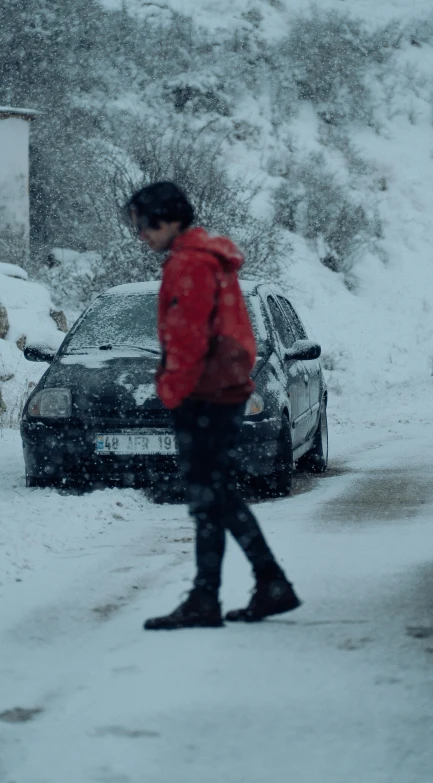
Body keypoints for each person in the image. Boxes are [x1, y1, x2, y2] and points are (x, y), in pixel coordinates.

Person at [126, 181, 301, 630]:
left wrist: (171, 391)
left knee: (211, 497)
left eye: (143, 225)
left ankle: (237, 590)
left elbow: (187, 338)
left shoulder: (189, 264)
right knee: (213, 496)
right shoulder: (207, 259)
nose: (141, 235)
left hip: (204, 395)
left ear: (166, 220)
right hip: (221, 391)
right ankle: (255, 585)